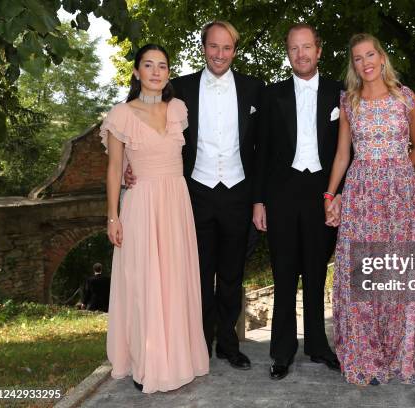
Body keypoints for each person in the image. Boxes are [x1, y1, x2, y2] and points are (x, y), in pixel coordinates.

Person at [125, 21, 263, 370]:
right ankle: (198, 341)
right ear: (204, 47)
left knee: (232, 274)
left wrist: (259, 198)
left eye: (227, 47)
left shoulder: (253, 89)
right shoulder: (180, 88)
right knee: (196, 273)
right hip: (193, 193)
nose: (220, 54)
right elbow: (143, 118)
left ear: (234, 50)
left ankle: (229, 344)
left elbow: (263, 149)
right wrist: (130, 163)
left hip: (237, 192)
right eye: (214, 46)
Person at [102, 44, 209, 393]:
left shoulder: (178, 109)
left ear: (168, 73)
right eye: (148, 65)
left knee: (174, 281)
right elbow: (115, 167)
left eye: (162, 66)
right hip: (142, 204)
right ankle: (146, 363)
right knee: (143, 282)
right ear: (136, 72)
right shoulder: (121, 114)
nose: (155, 71)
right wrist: (112, 217)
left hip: (176, 203)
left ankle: (180, 359)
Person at [324, 33, 415, 386]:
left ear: (382, 57)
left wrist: (402, 172)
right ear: (353, 65)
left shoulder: (405, 96)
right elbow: (342, 154)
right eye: (357, 58)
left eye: (370, 54)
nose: (365, 62)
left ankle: (399, 353)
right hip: (360, 193)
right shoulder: (349, 101)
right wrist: (330, 195)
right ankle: (364, 355)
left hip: (399, 197)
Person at [253, 23, 341, 380]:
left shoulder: (341, 93)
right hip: (282, 193)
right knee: (284, 272)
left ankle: (318, 346)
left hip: (323, 192)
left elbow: (347, 151)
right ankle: (282, 351)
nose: (301, 54)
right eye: (293, 48)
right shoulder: (271, 95)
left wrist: (340, 195)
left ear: (319, 50)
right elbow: (260, 153)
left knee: (317, 272)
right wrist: (258, 201)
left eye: (307, 47)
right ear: (287, 53)